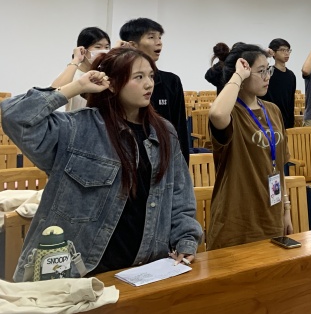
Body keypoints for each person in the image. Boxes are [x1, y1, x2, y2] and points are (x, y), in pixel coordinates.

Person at [1, 48, 201, 280]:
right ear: (113, 85)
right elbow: (15, 117)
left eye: (151, 76)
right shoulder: (77, 129)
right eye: (138, 77)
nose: (149, 84)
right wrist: (78, 86)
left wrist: (186, 240)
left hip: (144, 268)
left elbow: (180, 195)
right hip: (76, 273)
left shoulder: (164, 132)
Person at [208, 43, 291, 250]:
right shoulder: (232, 113)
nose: (267, 77)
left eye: (268, 70)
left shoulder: (273, 110)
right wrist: (238, 75)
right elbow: (217, 114)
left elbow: (279, 166)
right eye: (261, 71)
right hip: (237, 216)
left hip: (270, 212)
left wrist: (286, 207)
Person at [120, 18, 189, 163]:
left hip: (164, 159)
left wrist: (183, 166)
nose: (159, 42)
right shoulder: (120, 81)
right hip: (126, 157)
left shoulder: (171, 81)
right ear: (132, 45)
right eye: (151, 37)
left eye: (160, 37)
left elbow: (180, 129)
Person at [51, 27, 111, 112]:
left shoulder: (107, 73)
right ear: (83, 50)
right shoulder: (73, 73)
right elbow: (53, 95)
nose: (103, 51)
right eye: (98, 47)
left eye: (107, 47)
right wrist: (76, 59)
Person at [261, 38, 296, 130]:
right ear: (274, 53)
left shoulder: (291, 75)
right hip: (269, 119)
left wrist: (291, 121)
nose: (287, 53)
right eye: (283, 50)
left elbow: (291, 100)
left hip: (286, 120)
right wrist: (265, 54)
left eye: (288, 50)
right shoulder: (268, 73)